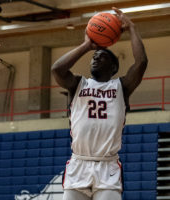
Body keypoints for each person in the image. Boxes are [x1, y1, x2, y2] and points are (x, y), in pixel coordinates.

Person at [52, 7, 148, 200]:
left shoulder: (122, 86)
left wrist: (132, 28)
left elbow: (141, 63)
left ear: (113, 67)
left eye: (101, 57)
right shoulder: (78, 84)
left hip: (107, 166)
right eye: (94, 57)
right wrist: (87, 46)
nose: (95, 59)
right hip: (79, 163)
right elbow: (57, 69)